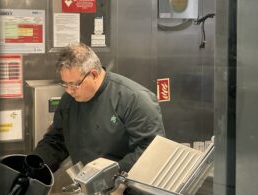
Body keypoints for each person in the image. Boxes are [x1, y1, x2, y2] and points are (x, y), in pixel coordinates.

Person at [31, 43, 165, 173]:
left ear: (94, 75)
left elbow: (150, 150)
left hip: (128, 188)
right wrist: (33, 166)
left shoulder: (134, 99)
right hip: (92, 187)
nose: (69, 91)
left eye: (74, 84)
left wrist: (108, 175)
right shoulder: (69, 100)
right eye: (65, 84)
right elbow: (57, 140)